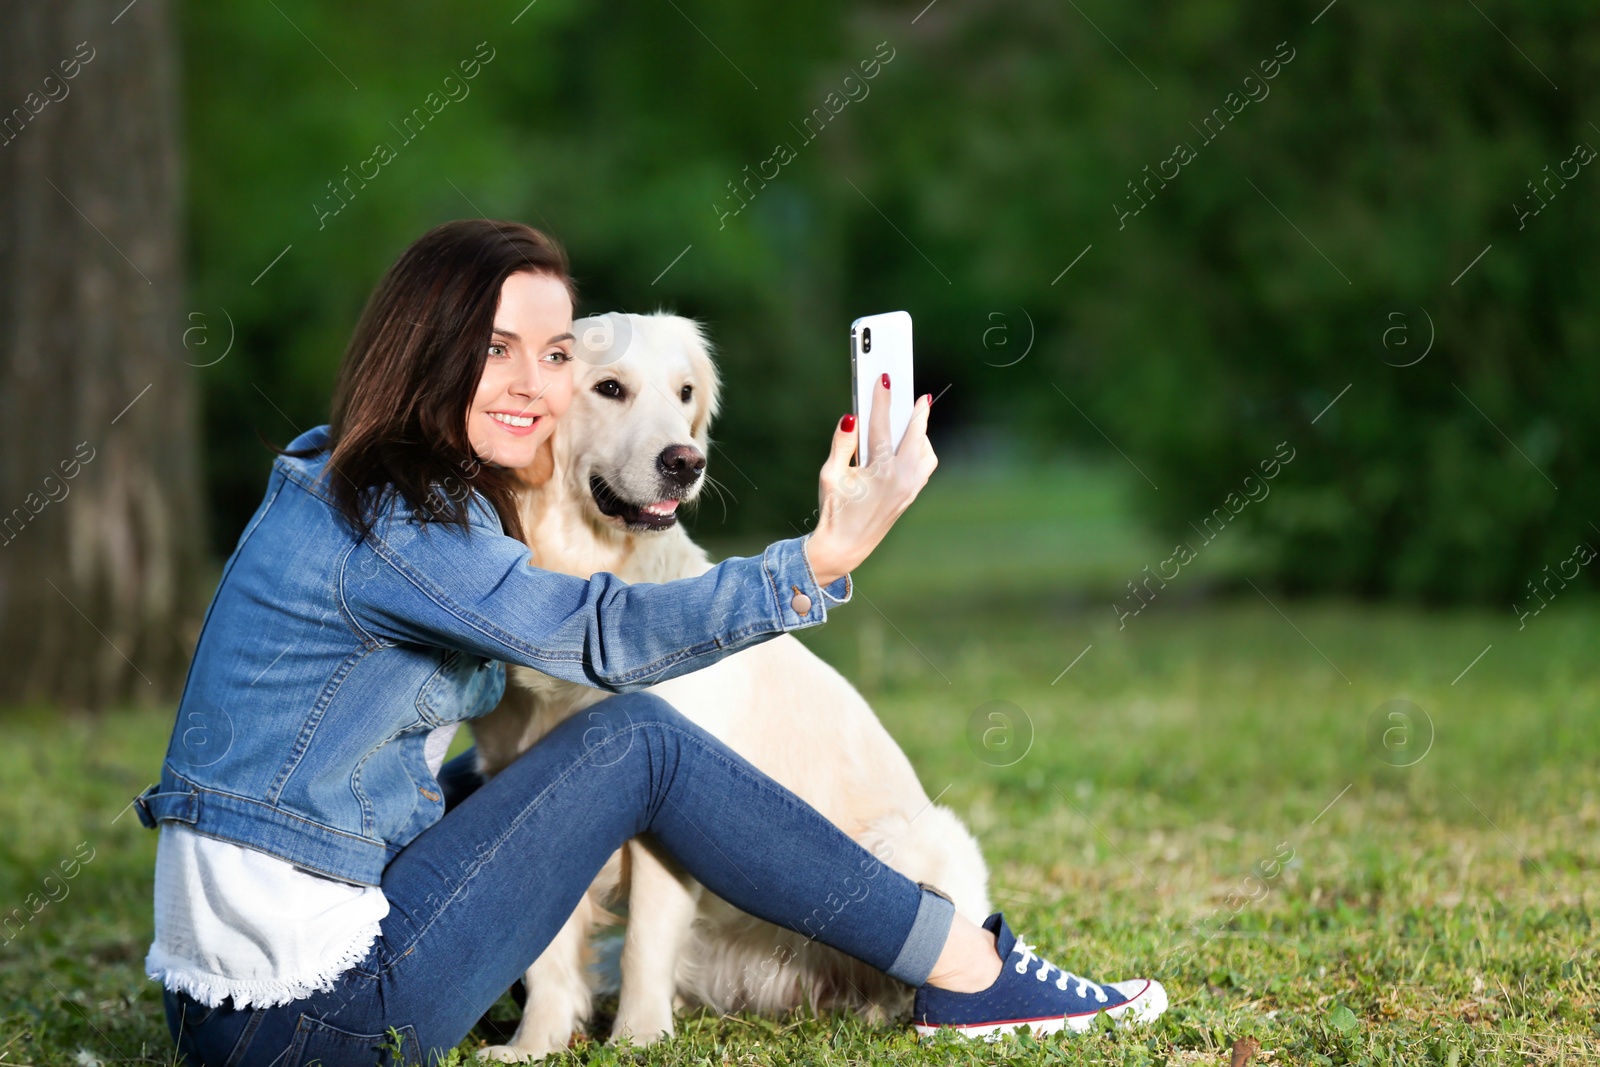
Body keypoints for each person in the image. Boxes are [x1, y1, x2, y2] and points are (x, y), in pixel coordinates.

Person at [133, 219, 1167, 1066]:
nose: (534, 385)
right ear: (421, 351)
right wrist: (816, 558)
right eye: (495, 351)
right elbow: (597, 632)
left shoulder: (336, 478)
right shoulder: (403, 529)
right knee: (639, 738)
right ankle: (969, 970)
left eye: (552, 353)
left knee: (508, 764)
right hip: (315, 1025)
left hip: (222, 1009)